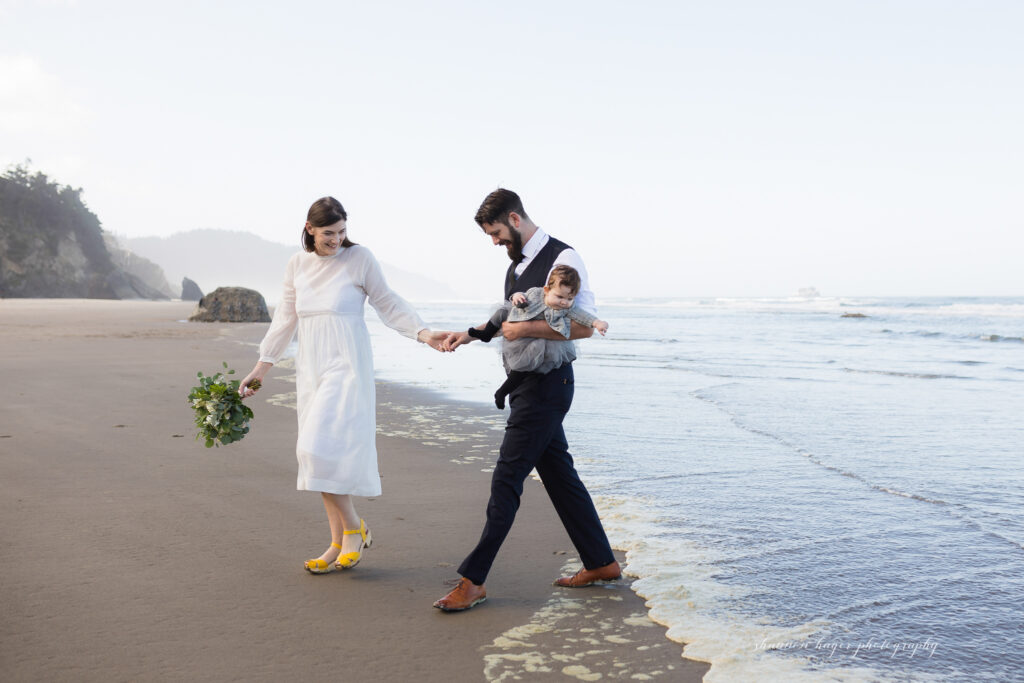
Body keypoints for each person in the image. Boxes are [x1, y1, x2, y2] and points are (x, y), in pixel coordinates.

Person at [433, 188, 621, 612]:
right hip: (527, 387)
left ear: (515, 220)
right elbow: (506, 318)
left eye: (497, 232)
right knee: (558, 475)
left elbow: (584, 328)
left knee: (507, 479)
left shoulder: (564, 259)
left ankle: (473, 580)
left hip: (548, 387)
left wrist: (526, 331)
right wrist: (469, 335)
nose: (494, 241)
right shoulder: (517, 266)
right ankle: (601, 562)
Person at [239, 196, 449, 574]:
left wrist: (422, 333)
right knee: (322, 454)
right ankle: (336, 541)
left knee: (315, 447)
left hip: (347, 365)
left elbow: (387, 302)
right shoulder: (297, 264)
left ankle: (354, 528)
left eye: (342, 232)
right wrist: (261, 367)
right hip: (312, 367)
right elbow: (285, 319)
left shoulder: (359, 259)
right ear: (309, 229)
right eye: (329, 234)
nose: (337, 240)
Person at [465, 264, 609, 409]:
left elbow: (583, 316)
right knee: (502, 311)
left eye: (570, 298)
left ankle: (502, 392)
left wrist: (597, 323)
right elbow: (520, 296)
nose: (564, 302)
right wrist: (517, 297)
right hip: (518, 319)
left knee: (526, 362)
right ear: (547, 290)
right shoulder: (535, 293)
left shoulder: (568, 308)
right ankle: (486, 334)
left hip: (531, 340)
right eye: (559, 296)